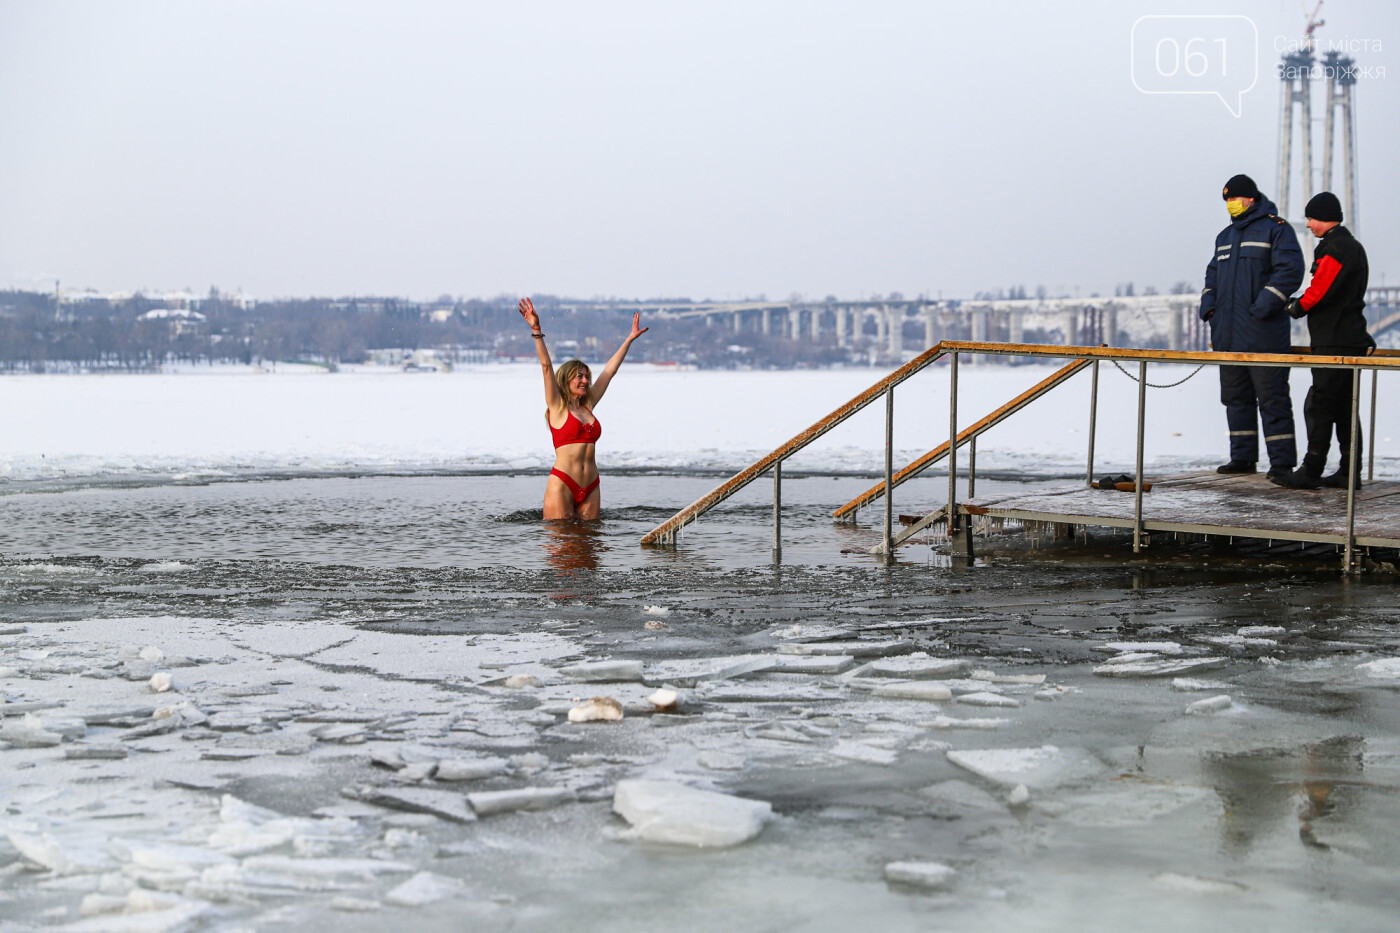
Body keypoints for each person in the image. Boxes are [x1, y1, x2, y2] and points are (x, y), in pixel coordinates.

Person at [1199, 173, 1305, 480]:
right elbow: (1211, 277)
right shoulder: (1224, 237)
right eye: (1227, 200)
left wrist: (1262, 307)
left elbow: (1290, 271)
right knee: (1235, 398)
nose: (1231, 204)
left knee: (1272, 400)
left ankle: (1282, 463)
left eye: (1235, 199)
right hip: (1228, 335)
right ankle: (1242, 457)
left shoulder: (1276, 230)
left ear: (1252, 199)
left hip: (1263, 334)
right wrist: (1210, 308)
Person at [1273, 191, 1374, 489]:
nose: (1308, 225)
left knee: (1320, 403)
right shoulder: (1353, 246)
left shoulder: (1334, 248)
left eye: (1311, 218)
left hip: (1333, 339)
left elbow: (1320, 289)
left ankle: (1311, 469)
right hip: (1350, 336)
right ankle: (1348, 471)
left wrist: (1297, 306)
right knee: (1345, 406)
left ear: (1324, 217)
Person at [518, 296, 647, 520]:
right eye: (579, 377)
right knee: (562, 545)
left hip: (591, 486)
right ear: (566, 380)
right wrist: (537, 330)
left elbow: (609, 372)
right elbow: (547, 367)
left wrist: (629, 340)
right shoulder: (557, 406)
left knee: (590, 548)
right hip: (562, 483)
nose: (585, 381)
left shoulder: (588, 405)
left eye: (587, 376)